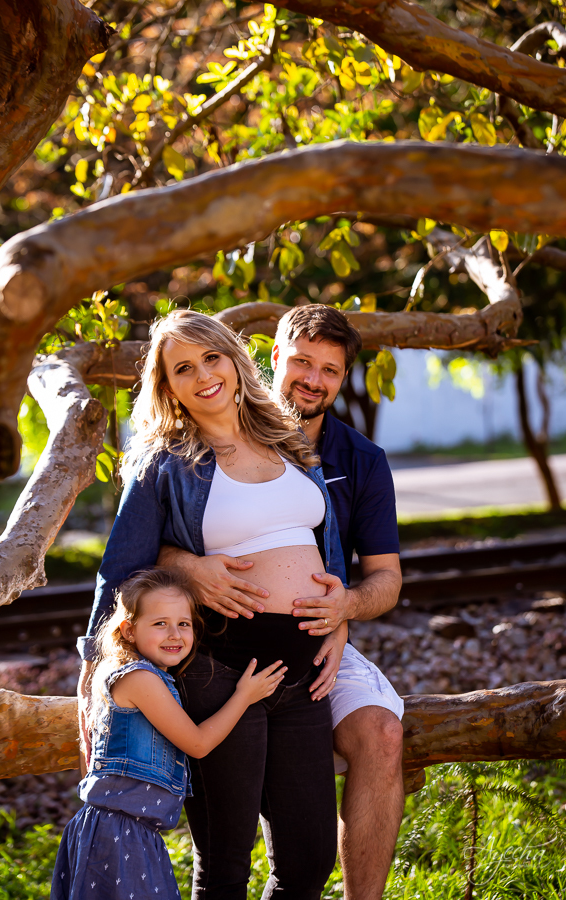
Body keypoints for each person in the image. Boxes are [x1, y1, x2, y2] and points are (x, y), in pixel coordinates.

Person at [77, 309, 347, 900]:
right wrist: (94, 671)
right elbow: (121, 571)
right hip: (219, 670)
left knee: (309, 861)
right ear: (167, 387)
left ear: (234, 359)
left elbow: (323, 545)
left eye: (211, 357)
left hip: (302, 676)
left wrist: (340, 618)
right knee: (226, 863)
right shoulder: (163, 462)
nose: (202, 375)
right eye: (183, 369)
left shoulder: (286, 438)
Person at [160, 305, 404, 900]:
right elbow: (139, 550)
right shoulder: (205, 436)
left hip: (317, 642)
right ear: (273, 357)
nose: (313, 380)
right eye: (301, 362)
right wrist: (188, 568)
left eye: (330, 370)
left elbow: (385, 581)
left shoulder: (360, 460)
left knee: (380, 736)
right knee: (226, 858)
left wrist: (344, 610)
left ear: (343, 378)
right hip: (226, 649)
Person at [55, 567, 286, 900]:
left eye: (184, 624)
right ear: (129, 630)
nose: (175, 634)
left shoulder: (149, 676)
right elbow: (198, 743)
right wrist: (244, 696)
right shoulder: (139, 679)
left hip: (132, 831)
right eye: (160, 623)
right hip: (119, 833)